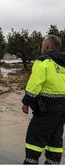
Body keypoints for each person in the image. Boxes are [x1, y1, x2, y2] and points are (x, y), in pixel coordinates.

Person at [22, 35, 65, 164]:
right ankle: (53, 162)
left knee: (34, 137)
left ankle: (31, 161)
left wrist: (26, 102)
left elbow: (35, 84)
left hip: (46, 108)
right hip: (62, 109)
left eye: (42, 44)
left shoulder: (43, 61)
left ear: (46, 46)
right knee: (56, 138)